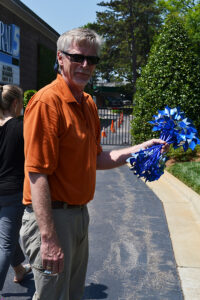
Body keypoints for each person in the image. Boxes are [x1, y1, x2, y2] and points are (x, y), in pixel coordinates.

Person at [20, 28, 167, 300]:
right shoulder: (47, 102)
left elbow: (97, 158)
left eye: (92, 59)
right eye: (77, 57)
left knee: (73, 295)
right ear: (60, 58)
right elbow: (37, 174)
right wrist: (49, 237)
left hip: (78, 217)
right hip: (52, 219)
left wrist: (138, 149)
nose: (85, 65)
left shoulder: (87, 102)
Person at [0, 85, 31, 293]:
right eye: (21, 101)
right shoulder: (21, 127)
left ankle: (19, 269)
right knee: (6, 244)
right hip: (12, 191)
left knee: (6, 236)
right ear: (14, 104)